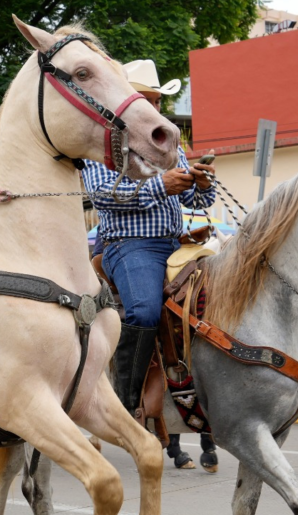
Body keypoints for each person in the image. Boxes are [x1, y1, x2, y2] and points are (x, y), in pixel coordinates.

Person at [83, 60, 217, 470]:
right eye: (148, 98)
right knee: (143, 310)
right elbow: (102, 195)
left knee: (217, 305)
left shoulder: (170, 142)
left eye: (158, 99)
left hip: (178, 244)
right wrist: (162, 184)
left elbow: (196, 202)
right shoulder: (102, 144)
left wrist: (202, 184)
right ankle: (125, 404)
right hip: (130, 245)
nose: (155, 106)